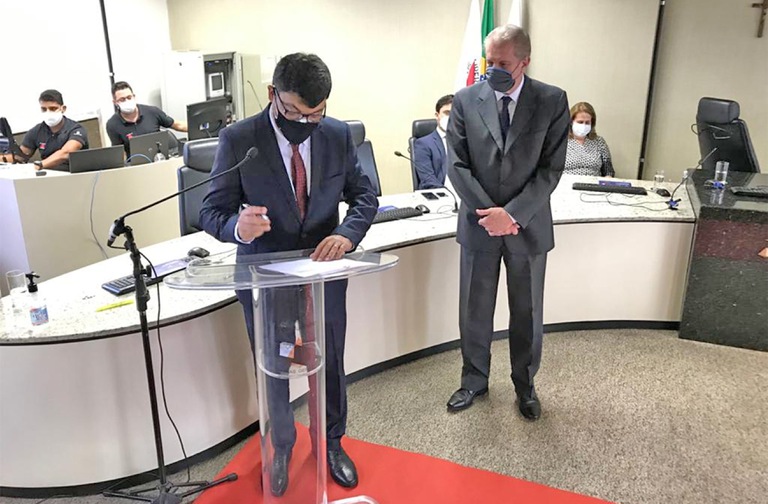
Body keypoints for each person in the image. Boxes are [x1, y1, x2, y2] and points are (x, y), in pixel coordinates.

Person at [199, 53, 377, 497]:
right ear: (273, 95)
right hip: (266, 279)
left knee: (329, 359)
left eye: (316, 114)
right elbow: (211, 210)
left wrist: (346, 235)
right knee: (274, 365)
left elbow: (364, 196)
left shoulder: (336, 134)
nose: (306, 123)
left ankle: (330, 442)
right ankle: (281, 446)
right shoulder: (240, 139)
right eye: (295, 112)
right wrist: (237, 227)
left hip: (323, 275)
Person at [445, 25, 569, 421]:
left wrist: (512, 215)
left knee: (527, 312)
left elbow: (551, 168)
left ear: (524, 61)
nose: (494, 69)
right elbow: (457, 164)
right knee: (474, 310)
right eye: (490, 61)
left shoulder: (551, 100)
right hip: (480, 225)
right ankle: (473, 380)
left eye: (503, 63)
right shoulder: (466, 100)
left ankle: (525, 385)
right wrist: (491, 215)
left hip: (527, 227)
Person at [3, 90, 89, 170]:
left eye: (53, 108)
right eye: (44, 109)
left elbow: (66, 153)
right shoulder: (37, 131)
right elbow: (20, 157)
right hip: (47, 175)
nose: (48, 112)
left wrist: (39, 165)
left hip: (73, 174)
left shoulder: (76, 129)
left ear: (63, 109)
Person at [106, 81, 187, 156]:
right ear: (115, 102)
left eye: (129, 97)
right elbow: (119, 154)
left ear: (134, 96)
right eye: (122, 99)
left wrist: (194, 128)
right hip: (136, 164)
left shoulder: (152, 112)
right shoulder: (112, 124)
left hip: (160, 159)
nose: (127, 101)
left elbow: (178, 125)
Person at [564, 101, 615, 177]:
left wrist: (608, 178)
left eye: (587, 123)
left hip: (593, 183)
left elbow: (608, 170)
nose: (584, 125)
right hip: (567, 182)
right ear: (571, 122)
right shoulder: (561, 142)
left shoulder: (599, 142)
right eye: (580, 122)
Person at [414, 94, 453, 189]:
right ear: (437, 115)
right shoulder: (423, 144)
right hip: (440, 193)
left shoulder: (467, 141)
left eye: (455, 113)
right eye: (447, 113)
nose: (451, 117)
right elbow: (428, 180)